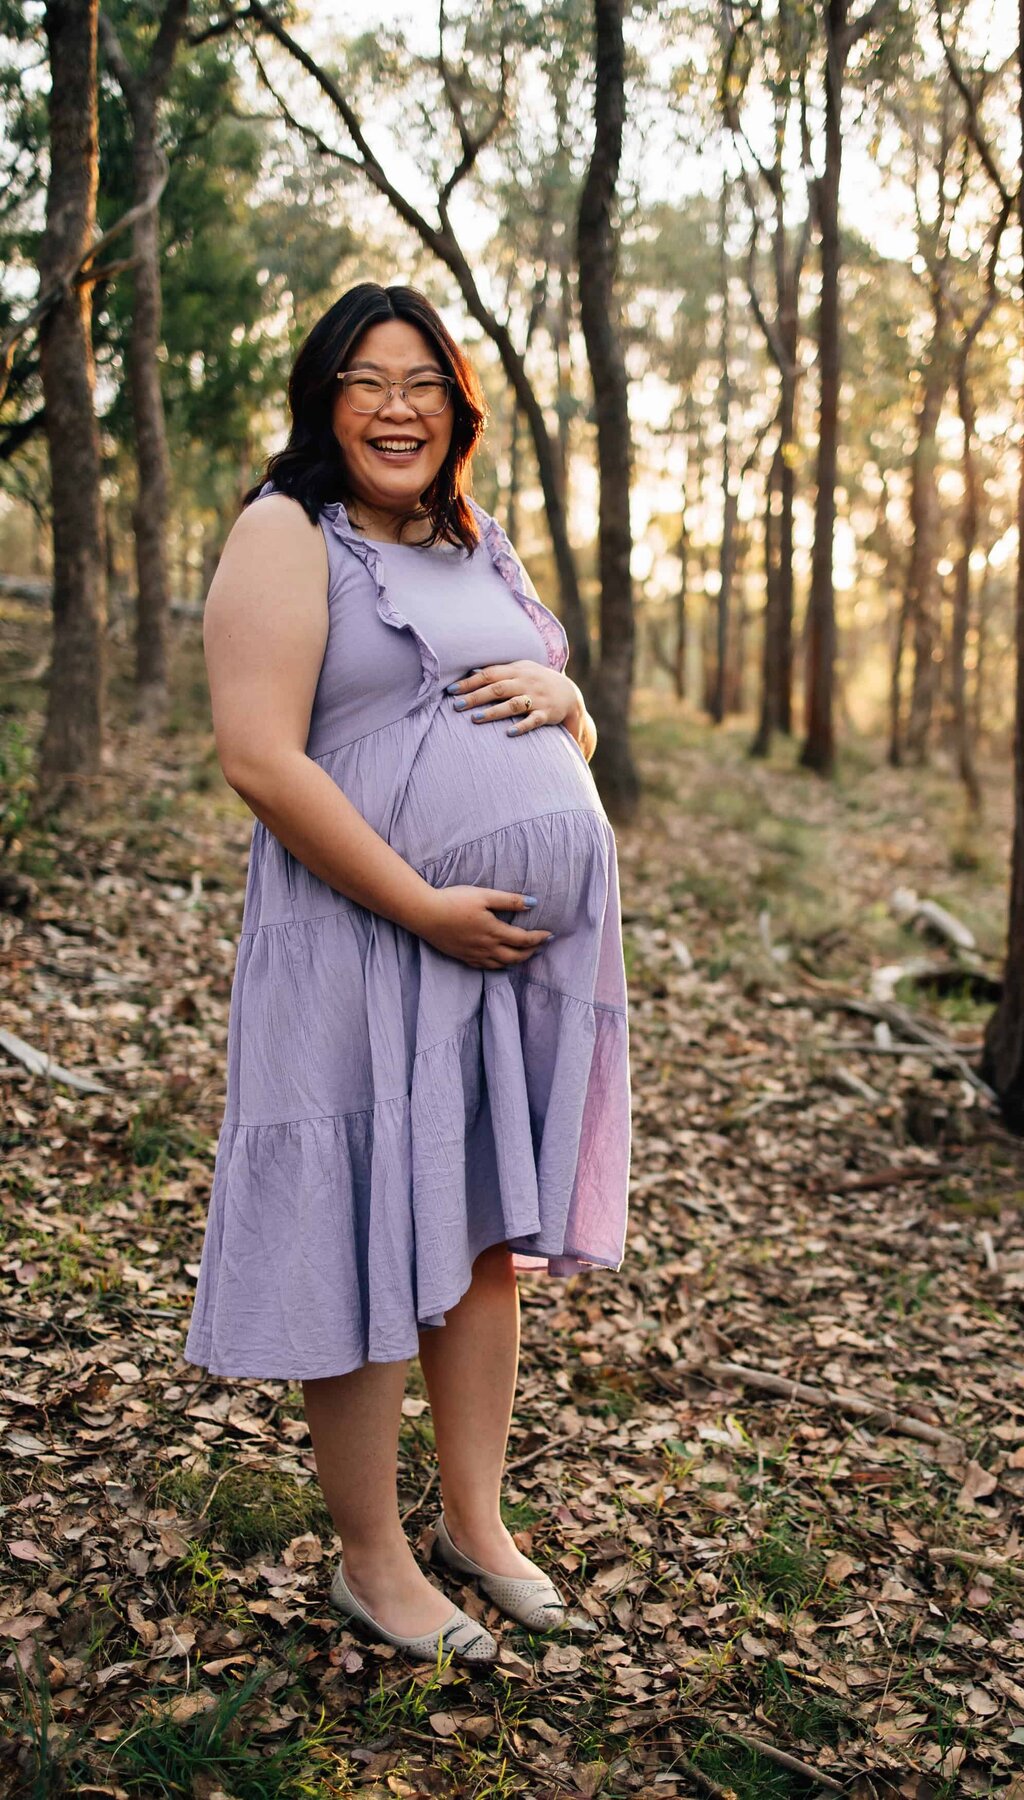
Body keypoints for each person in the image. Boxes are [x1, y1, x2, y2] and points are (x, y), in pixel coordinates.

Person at [183, 282, 631, 1667]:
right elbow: (261, 757)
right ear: (328, 401)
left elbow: (556, 722)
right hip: (361, 933)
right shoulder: (284, 534)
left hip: (493, 957)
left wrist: (576, 707)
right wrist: (422, 906)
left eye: (423, 382)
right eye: (368, 381)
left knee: (484, 1235)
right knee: (370, 1233)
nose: (396, 405)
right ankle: (373, 1563)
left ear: (457, 408)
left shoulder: (474, 541)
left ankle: (477, 1529)